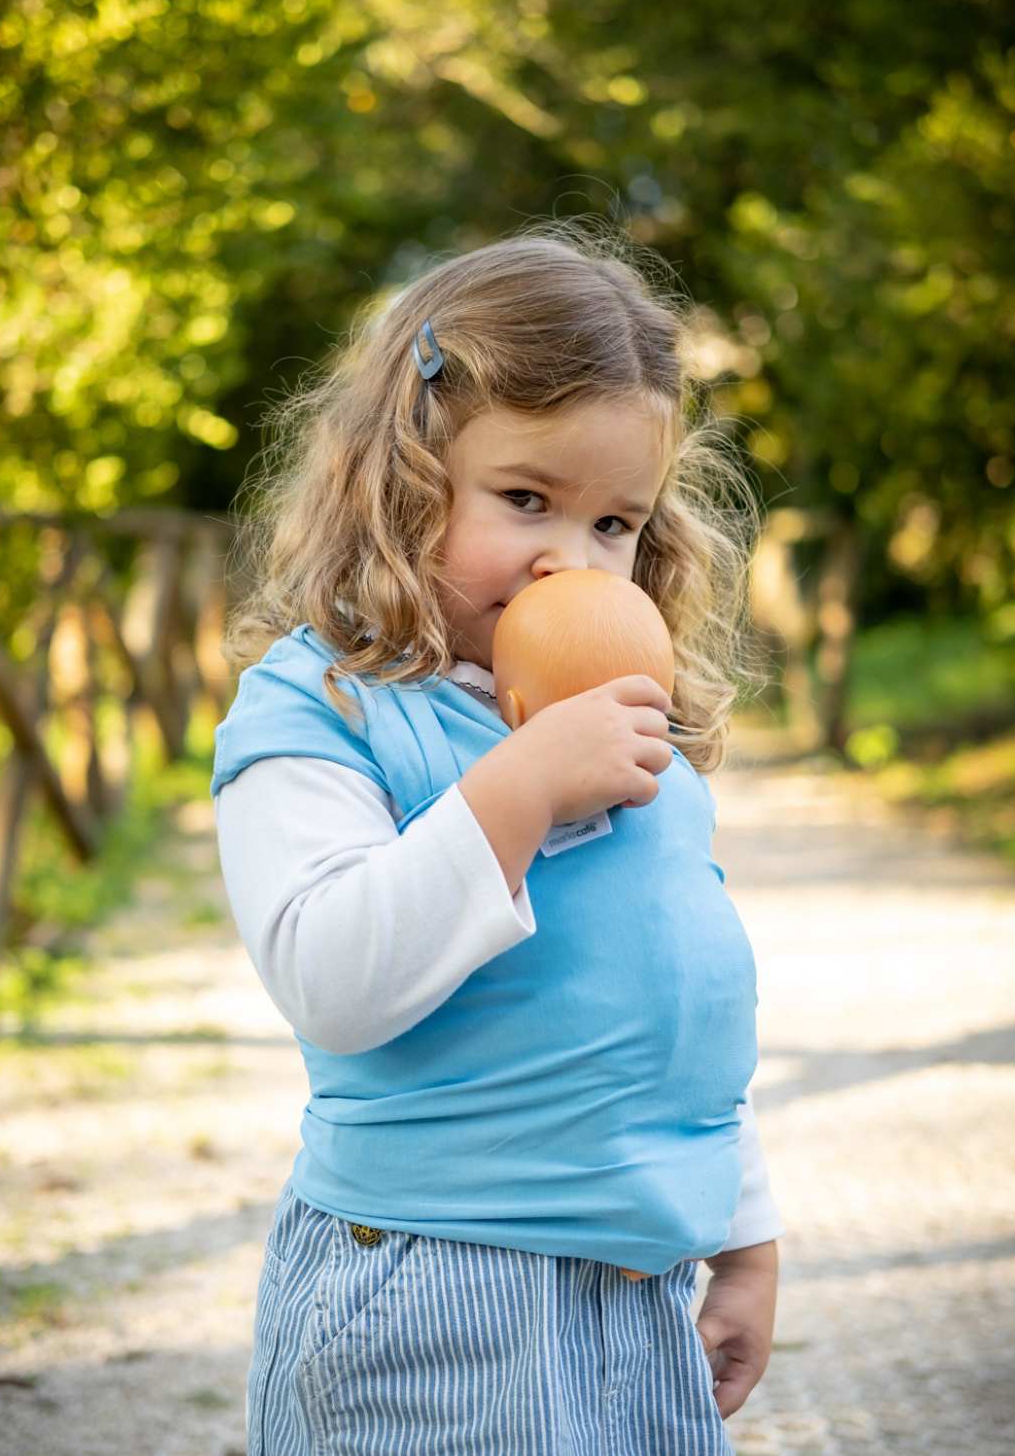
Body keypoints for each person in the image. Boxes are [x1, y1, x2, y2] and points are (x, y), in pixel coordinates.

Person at [213, 229, 783, 1456]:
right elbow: (330, 978)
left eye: (615, 521)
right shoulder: (327, 708)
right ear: (404, 481)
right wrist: (516, 789)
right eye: (526, 499)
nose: (570, 558)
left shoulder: (637, 729)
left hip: (632, 1300)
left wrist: (742, 1236)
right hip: (432, 1292)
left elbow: (679, 1003)